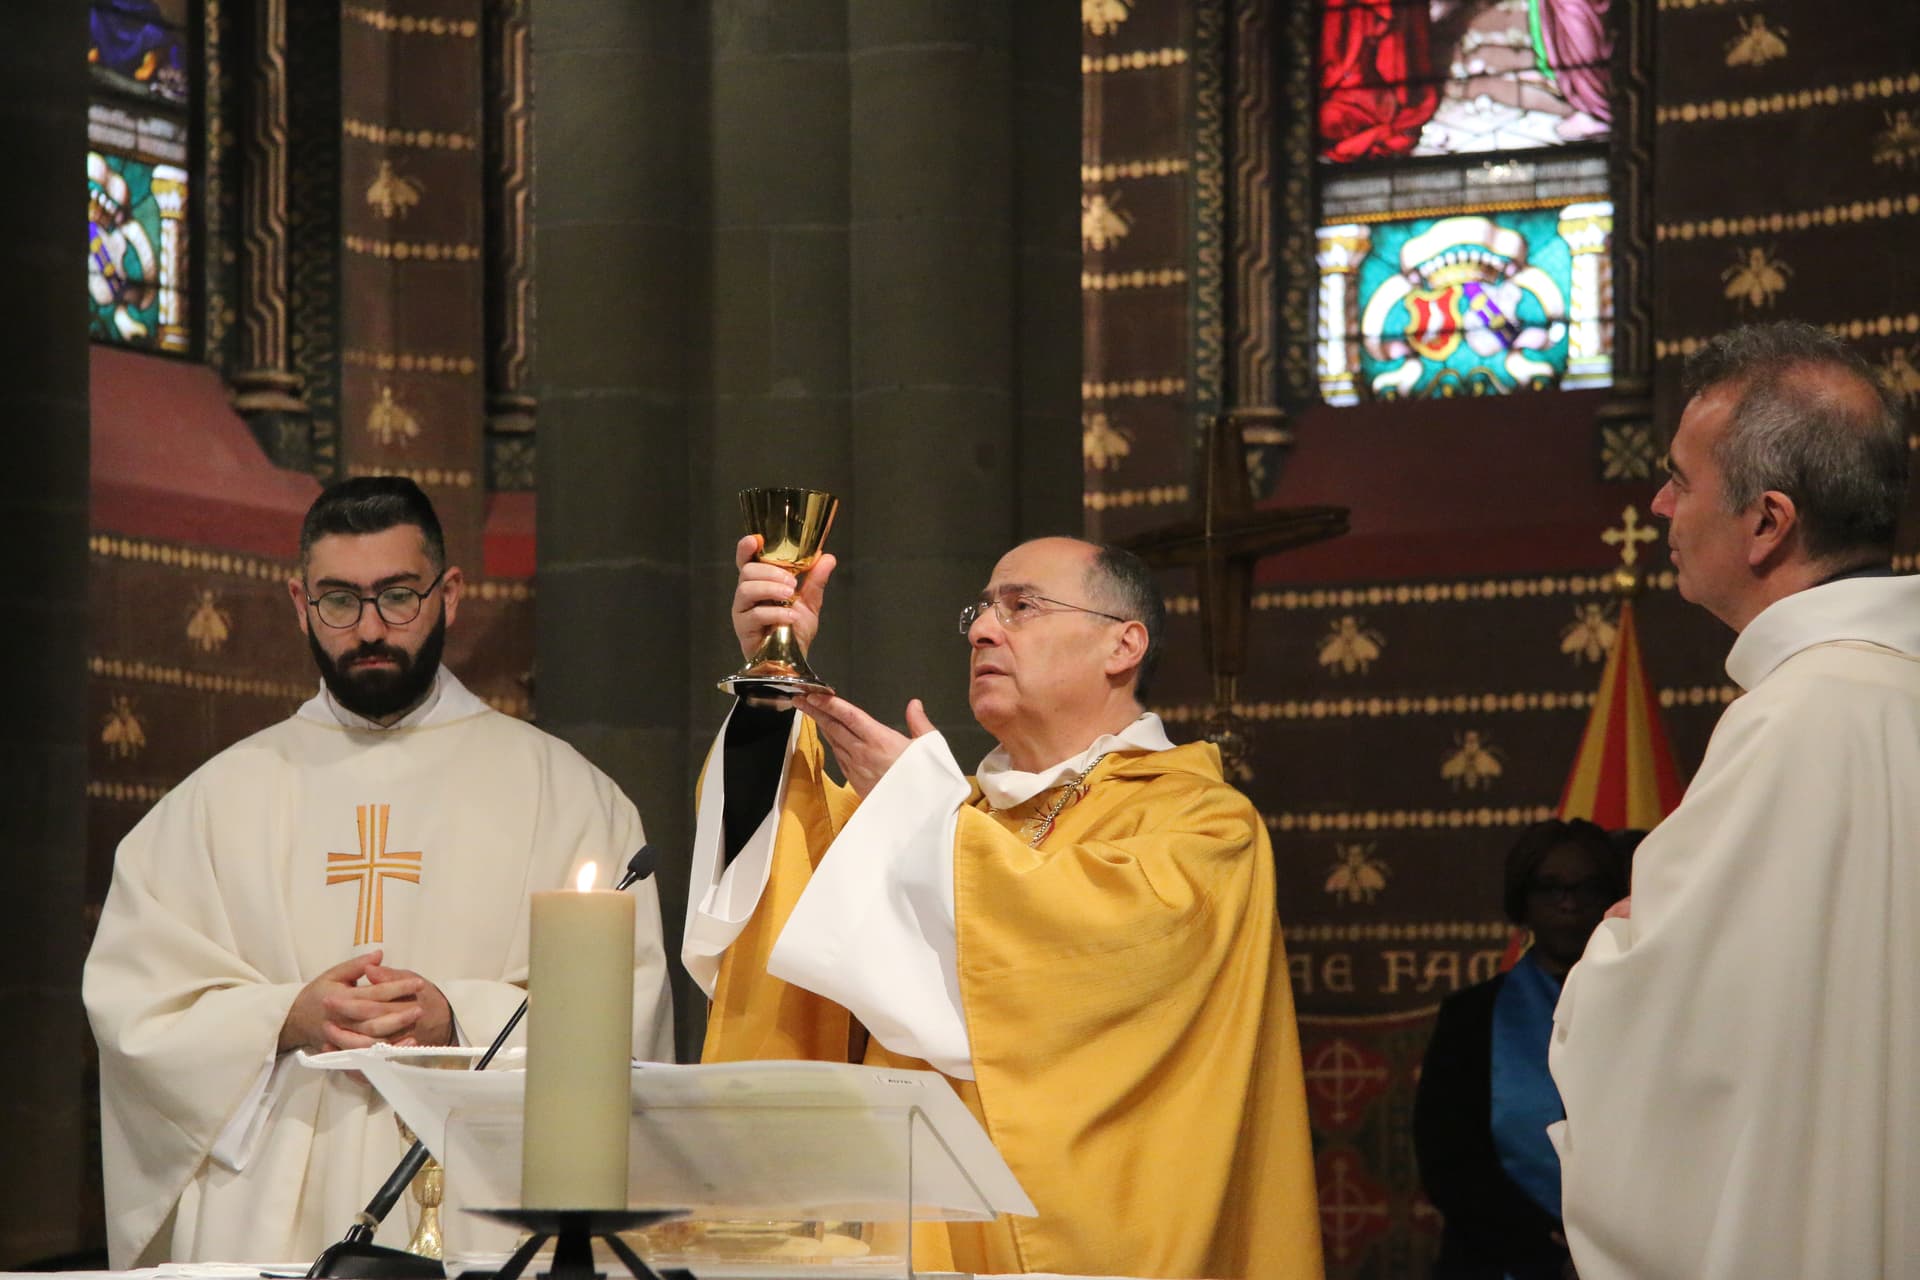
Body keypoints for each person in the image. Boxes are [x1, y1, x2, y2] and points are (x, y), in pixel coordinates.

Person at [682, 535, 1323, 1278]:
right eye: (981, 611)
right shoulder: (948, 817)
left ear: (1124, 644)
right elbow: (784, 892)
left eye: (1022, 607)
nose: (984, 630)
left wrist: (923, 812)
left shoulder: (1203, 826)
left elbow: (1074, 974)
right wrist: (771, 678)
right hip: (912, 1242)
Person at [83, 477, 675, 1267]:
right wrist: (286, 1017)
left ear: (449, 594)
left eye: (398, 596)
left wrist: (456, 1018)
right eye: (337, 600)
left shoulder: (567, 796)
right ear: (298, 603)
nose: (369, 628)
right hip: (270, 1202)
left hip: (483, 1203)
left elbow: (621, 1017)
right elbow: (137, 1012)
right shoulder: (210, 806)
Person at [1547, 321, 1918, 1279]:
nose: (1661, 504)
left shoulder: (1796, 722)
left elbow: (1669, 1046)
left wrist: (1615, 949)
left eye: (1681, 477)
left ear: (1768, 523)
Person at [1414, 818, 1628, 1280]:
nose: (1568, 903)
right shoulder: (1470, 1018)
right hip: (1500, 1257)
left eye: (1585, 887)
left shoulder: (1644, 1010)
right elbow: (1448, 1159)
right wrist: (1548, 1249)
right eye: (1550, 887)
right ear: (1523, 900)